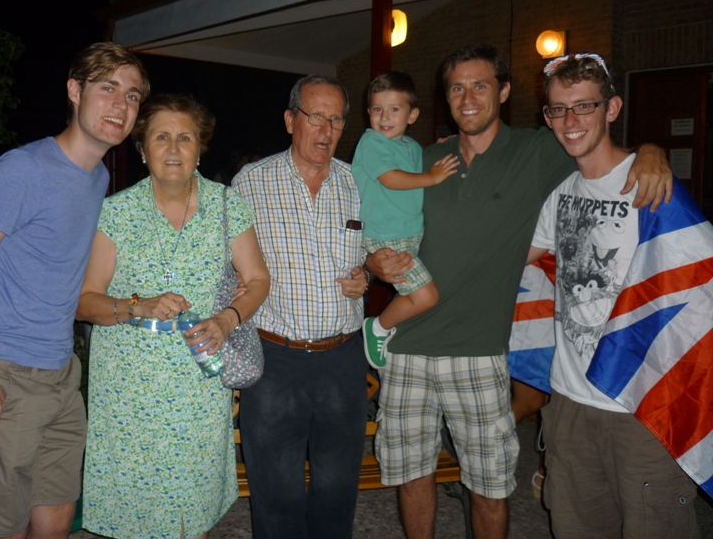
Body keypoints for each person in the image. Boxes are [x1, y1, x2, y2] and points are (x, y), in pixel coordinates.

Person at [366, 44, 673, 539]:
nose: (468, 98)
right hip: (406, 349)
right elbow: (376, 220)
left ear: (504, 91)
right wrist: (373, 262)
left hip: (480, 351)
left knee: (489, 487)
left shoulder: (538, 151)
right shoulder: (424, 158)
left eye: (480, 85)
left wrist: (651, 151)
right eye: (457, 88)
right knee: (411, 475)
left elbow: (594, 142)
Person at [0, 42, 150, 539]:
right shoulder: (24, 168)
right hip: (4, 374)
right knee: (4, 530)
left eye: (132, 95)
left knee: (55, 525)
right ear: (75, 91)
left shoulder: (97, 178)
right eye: (108, 88)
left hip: (61, 377)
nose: (121, 105)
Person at [76, 94, 270, 539]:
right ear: (142, 149)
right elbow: (85, 301)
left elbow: (258, 279)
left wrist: (227, 319)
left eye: (185, 138)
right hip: (129, 395)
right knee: (137, 518)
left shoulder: (227, 205)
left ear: (200, 149)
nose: (173, 148)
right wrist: (136, 305)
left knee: (190, 518)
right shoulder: (115, 213)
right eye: (161, 137)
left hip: (198, 386)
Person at [527, 53, 699, 537]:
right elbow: (507, 260)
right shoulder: (560, 192)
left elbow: (699, 290)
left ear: (612, 108)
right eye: (559, 109)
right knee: (576, 527)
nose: (571, 121)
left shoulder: (654, 188)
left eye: (584, 106)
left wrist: (651, 149)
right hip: (570, 400)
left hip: (641, 406)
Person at [232, 75, 369, 539]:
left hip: (343, 358)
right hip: (276, 359)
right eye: (315, 117)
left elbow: (375, 250)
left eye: (336, 119)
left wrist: (367, 275)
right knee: (275, 492)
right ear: (291, 120)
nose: (326, 130)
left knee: (337, 488)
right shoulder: (251, 183)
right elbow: (226, 262)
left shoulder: (357, 183)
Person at [351, 71, 458, 369]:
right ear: (368, 112)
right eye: (377, 109)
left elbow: (424, 166)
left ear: (412, 115)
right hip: (386, 237)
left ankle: (392, 329)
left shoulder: (411, 146)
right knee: (426, 296)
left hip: (410, 233)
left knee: (418, 295)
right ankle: (378, 327)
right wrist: (432, 178)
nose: (384, 117)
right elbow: (391, 178)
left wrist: (445, 147)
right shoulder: (371, 142)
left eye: (394, 109)